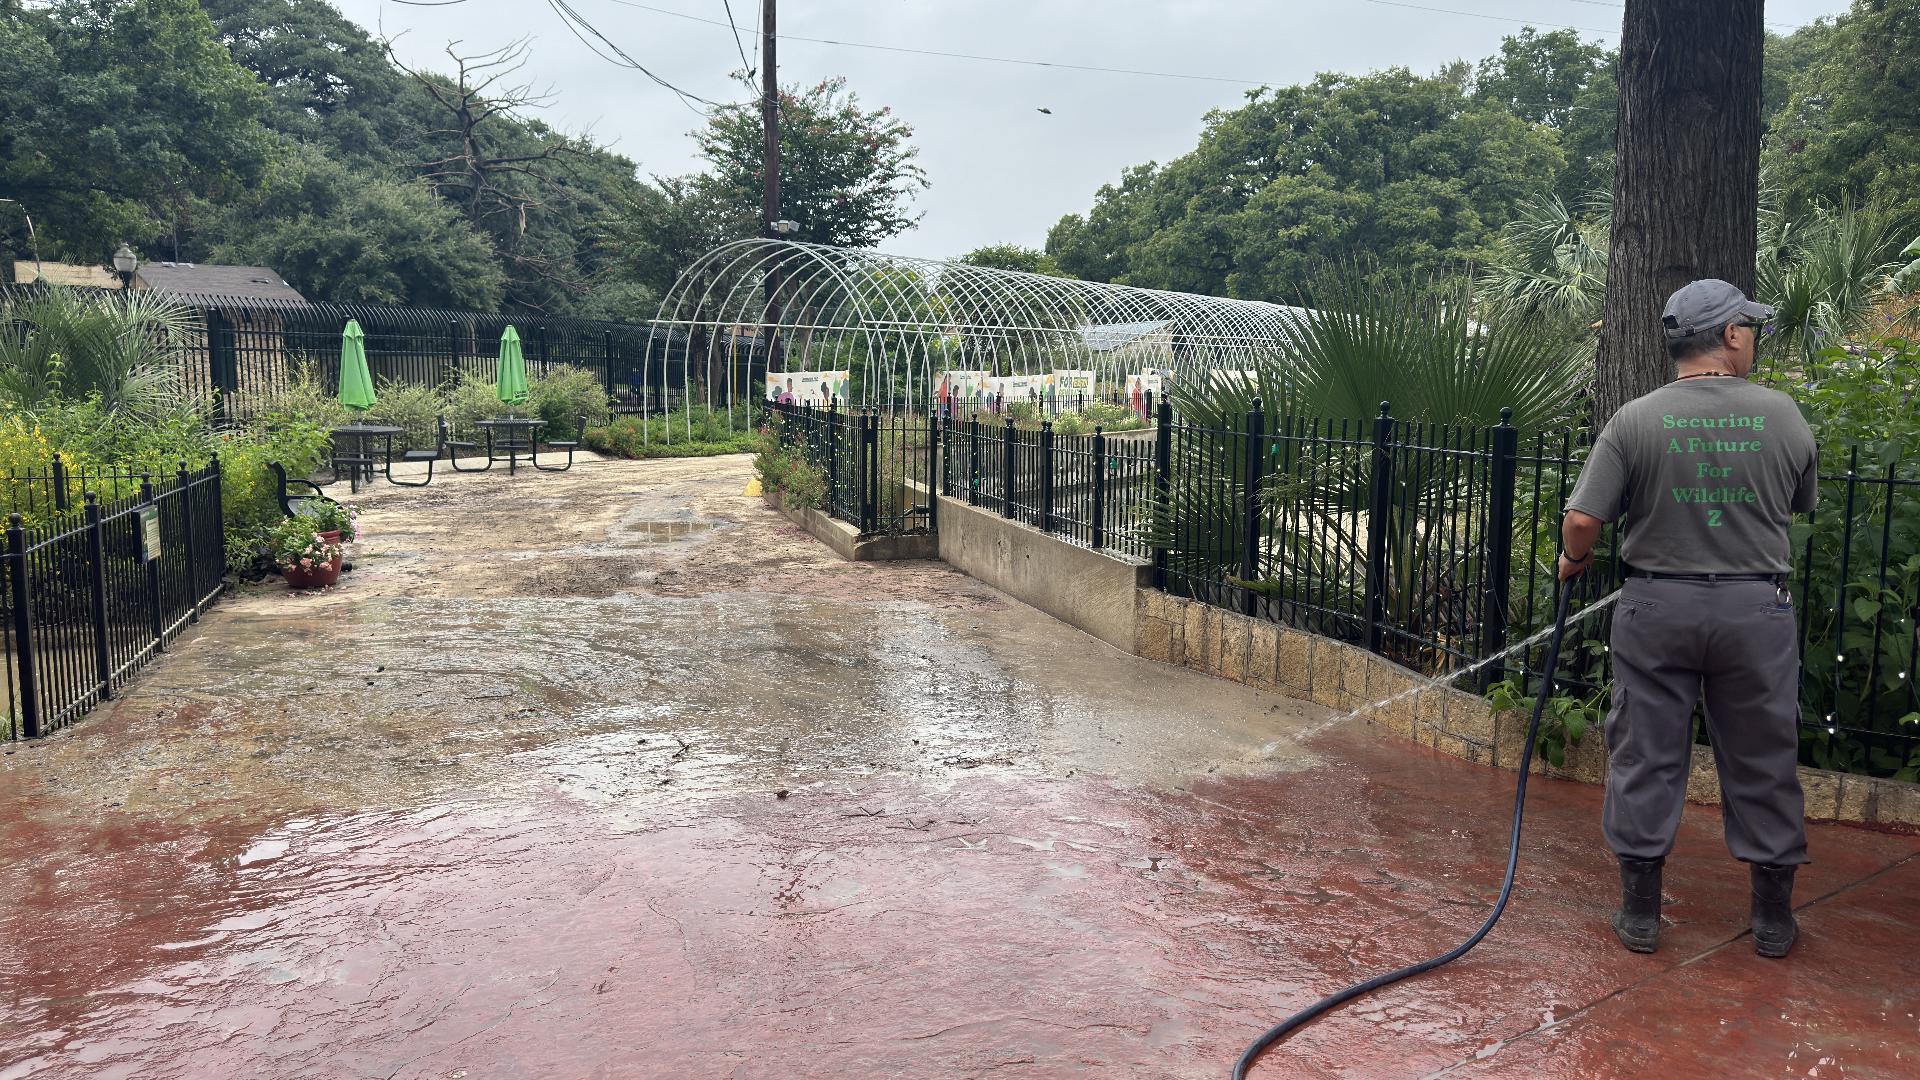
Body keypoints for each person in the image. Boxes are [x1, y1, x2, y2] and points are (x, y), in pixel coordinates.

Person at [1560, 278, 1818, 959]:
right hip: (1753, 610)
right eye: (1750, 328)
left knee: (1646, 752)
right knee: (1763, 756)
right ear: (1731, 334)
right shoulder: (1783, 414)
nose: (1753, 338)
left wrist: (1572, 560)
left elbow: (1584, 519)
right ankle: (1771, 921)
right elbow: (1797, 502)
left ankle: (1641, 915)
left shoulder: (1636, 418)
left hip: (1658, 606)